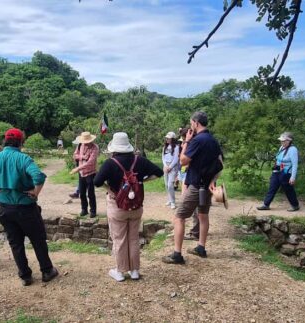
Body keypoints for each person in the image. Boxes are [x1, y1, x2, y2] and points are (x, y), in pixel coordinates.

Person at [0, 128, 58, 286]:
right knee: (38, 240)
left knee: (15, 243)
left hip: (5, 208)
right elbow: (38, 176)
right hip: (26, 207)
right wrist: (35, 193)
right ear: (21, 142)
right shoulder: (23, 158)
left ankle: (25, 276)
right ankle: (46, 271)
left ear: (5, 141)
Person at [94, 132, 163, 282]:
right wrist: (141, 182)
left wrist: (111, 190)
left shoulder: (110, 163)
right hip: (136, 206)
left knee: (119, 239)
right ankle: (134, 271)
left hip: (117, 206)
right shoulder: (140, 161)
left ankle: (120, 271)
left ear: (114, 148)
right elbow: (159, 172)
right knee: (133, 238)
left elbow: (97, 182)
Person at [163, 112, 223, 264]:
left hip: (196, 185)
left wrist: (187, 142)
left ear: (196, 123)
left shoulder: (197, 140)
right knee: (203, 216)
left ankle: (177, 254)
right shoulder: (213, 141)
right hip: (208, 185)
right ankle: (201, 247)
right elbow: (220, 164)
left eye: (191, 123)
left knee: (179, 217)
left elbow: (183, 161)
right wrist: (213, 181)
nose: (191, 126)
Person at [257, 132, 300, 212]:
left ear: (289, 141)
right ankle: (266, 205)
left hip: (286, 173)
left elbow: (295, 164)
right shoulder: (281, 147)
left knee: (288, 189)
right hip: (277, 171)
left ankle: (295, 205)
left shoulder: (293, 150)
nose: (282, 142)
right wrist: (275, 168)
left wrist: (292, 177)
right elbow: (279, 159)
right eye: (281, 141)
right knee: (272, 187)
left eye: (283, 141)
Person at [71, 132, 99, 217]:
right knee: (82, 193)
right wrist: (82, 157)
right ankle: (84, 209)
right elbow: (75, 155)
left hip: (90, 172)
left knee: (91, 193)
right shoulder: (80, 145)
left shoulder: (95, 147)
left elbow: (90, 162)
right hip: (81, 173)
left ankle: (93, 211)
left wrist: (77, 168)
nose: (85, 143)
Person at [162, 132, 180, 209]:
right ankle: (169, 199)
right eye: (166, 138)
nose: (167, 139)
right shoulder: (164, 147)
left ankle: (173, 202)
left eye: (168, 138)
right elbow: (163, 157)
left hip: (173, 168)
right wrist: (166, 166)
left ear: (172, 139)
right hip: (165, 167)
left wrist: (170, 167)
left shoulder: (176, 147)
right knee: (166, 185)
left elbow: (176, 158)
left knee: (170, 185)